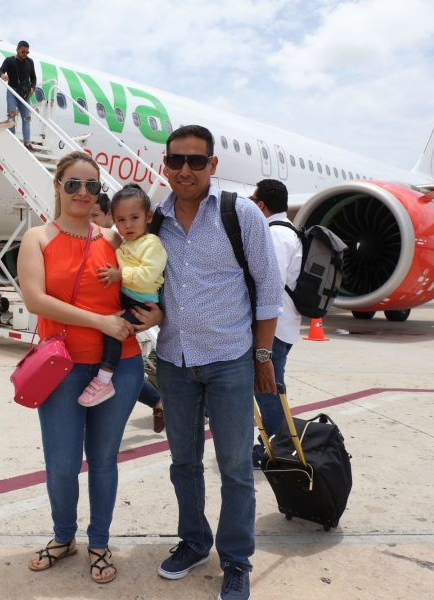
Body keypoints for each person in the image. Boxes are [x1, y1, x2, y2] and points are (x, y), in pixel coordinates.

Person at [134, 125, 282, 600]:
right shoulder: (155, 219)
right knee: (183, 462)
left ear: (212, 165)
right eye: (176, 160)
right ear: (164, 164)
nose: (185, 170)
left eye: (196, 161)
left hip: (229, 361)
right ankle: (195, 542)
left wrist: (263, 357)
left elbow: (269, 289)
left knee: (235, 466)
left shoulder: (241, 214)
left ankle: (236, 561)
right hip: (174, 361)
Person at [17, 151, 144, 584]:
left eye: (92, 186)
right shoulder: (37, 238)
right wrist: (100, 322)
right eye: (73, 184)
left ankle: (99, 542)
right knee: (62, 465)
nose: (83, 193)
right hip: (62, 369)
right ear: (57, 186)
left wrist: (154, 315)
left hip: (120, 365)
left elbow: (151, 276)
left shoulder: (115, 238)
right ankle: (63, 536)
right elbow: (36, 300)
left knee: (104, 460)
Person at [76, 184, 166, 407]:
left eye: (134, 218)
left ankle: (104, 379)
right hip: (129, 298)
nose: (128, 225)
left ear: (148, 217)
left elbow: (147, 275)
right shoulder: (128, 243)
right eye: (121, 220)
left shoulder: (151, 244)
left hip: (142, 304)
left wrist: (120, 275)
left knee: (113, 332)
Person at [250, 179, 303, 469]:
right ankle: (277, 446)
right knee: (268, 387)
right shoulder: (288, 231)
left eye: (252, 200)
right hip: (284, 325)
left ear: (261, 205)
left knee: (267, 388)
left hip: (275, 329)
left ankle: (275, 450)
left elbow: (270, 285)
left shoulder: (274, 236)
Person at [0, 41, 36, 151]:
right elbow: (0, 70)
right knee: (11, 114)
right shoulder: (10, 60)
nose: (25, 54)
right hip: (12, 90)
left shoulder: (30, 62)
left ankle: (27, 142)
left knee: (27, 117)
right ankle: (11, 139)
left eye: (27, 52)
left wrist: (33, 87)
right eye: (23, 51)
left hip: (24, 93)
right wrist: (3, 75)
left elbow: (33, 77)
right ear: (17, 49)